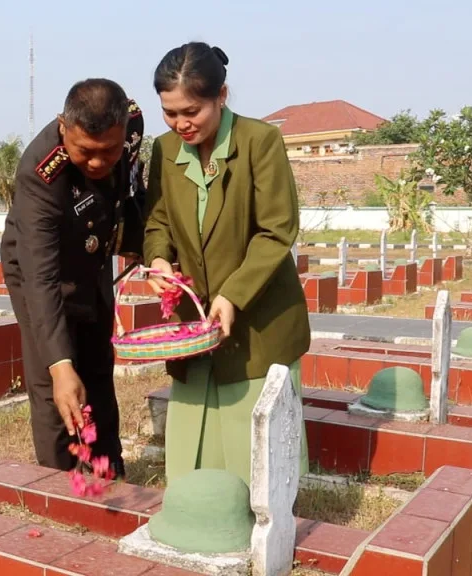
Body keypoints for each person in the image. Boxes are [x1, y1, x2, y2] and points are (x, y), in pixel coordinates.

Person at [143, 43, 311, 485]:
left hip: (258, 315)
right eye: (169, 112)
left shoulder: (261, 141)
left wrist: (233, 295)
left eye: (192, 111)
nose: (181, 123)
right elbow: (157, 217)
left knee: (251, 431)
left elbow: (276, 230)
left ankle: (261, 515)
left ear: (222, 95)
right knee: (196, 429)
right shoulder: (163, 149)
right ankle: (198, 506)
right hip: (195, 315)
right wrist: (159, 258)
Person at [1, 78, 146, 478]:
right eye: (86, 152)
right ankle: (62, 478)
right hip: (39, 266)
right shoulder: (39, 175)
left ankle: (106, 468)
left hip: (92, 252)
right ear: (63, 127)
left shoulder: (132, 121)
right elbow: (41, 277)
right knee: (55, 380)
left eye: (109, 151)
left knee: (98, 361)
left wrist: (132, 236)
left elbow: (131, 178)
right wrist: (61, 366)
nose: (99, 163)